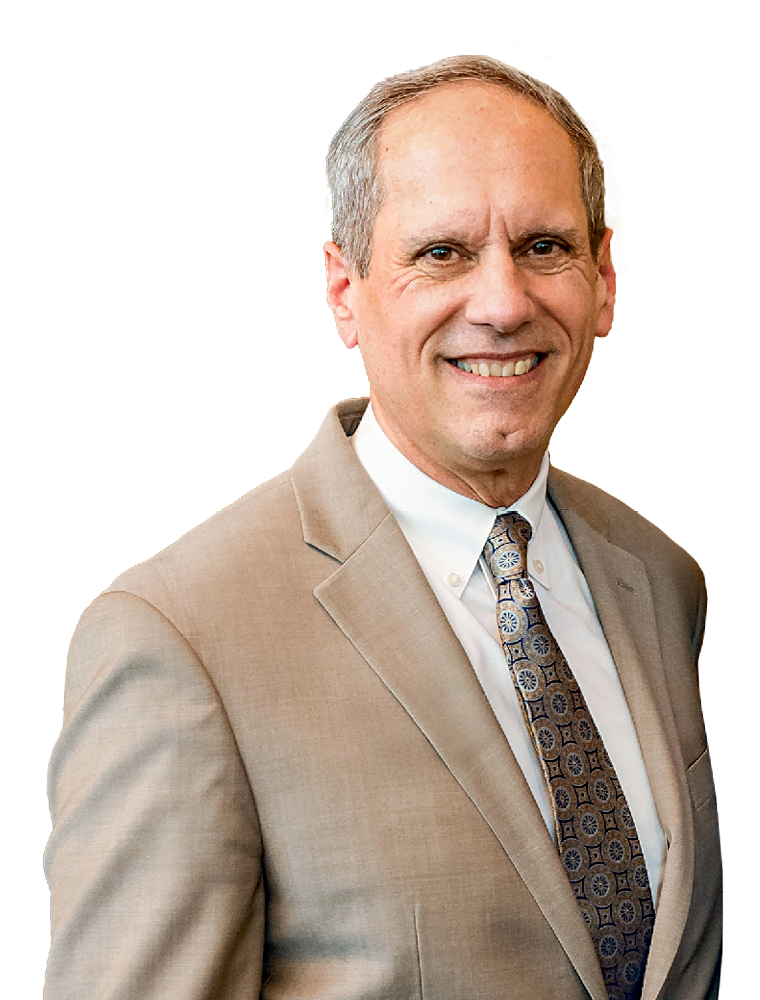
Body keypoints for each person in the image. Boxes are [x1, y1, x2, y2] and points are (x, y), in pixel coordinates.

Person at [43, 54, 722, 1000]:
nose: (503, 303)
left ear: (604, 278)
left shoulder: (657, 578)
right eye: (442, 252)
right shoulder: (181, 639)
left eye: (544, 246)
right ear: (342, 288)